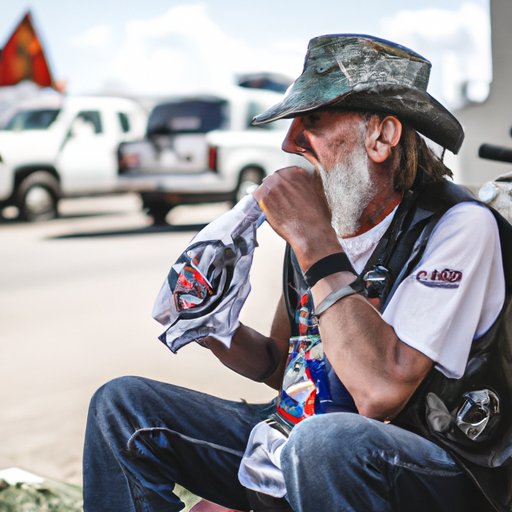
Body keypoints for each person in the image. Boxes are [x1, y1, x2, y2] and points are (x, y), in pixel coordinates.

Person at [83, 34, 512, 512]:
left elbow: (380, 392)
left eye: (312, 121)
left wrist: (312, 238)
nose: (289, 142)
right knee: (122, 408)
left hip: (433, 465)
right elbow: (282, 366)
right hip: (308, 444)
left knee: (323, 442)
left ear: (382, 136)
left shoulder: (459, 227)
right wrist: (212, 325)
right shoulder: (328, 223)